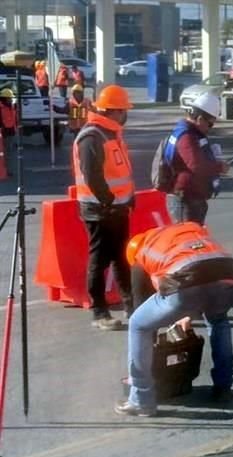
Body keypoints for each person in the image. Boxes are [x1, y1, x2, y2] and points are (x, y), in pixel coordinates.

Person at [118, 222, 233, 416]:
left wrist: (182, 316)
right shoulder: (181, 231)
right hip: (228, 271)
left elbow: (149, 306)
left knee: (138, 326)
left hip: (187, 278)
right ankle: (224, 386)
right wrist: (187, 316)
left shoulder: (141, 256)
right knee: (218, 322)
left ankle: (141, 400)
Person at [72, 84, 136, 330]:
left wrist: (127, 198)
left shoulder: (111, 134)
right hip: (99, 210)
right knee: (99, 259)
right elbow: (93, 176)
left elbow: (118, 172)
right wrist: (108, 201)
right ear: (115, 111)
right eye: (124, 110)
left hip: (116, 208)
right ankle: (99, 313)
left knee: (121, 258)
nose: (125, 115)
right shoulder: (92, 136)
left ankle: (132, 308)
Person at [163, 92, 230, 225]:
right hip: (186, 200)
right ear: (199, 119)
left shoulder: (190, 133)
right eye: (210, 124)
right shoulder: (187, 137)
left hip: (191, 198)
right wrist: (219, 167)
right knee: (188, 239)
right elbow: (196, 166)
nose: (210, 128)